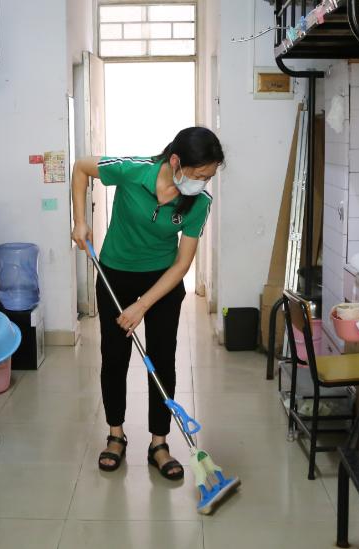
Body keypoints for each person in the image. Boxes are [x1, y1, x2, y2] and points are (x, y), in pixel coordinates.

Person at [70, 127, 223, 480]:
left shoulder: (199, 202)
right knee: (115, 355)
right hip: (116, 274)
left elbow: (183, 264)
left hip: (163, 280)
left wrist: (142, 306)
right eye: (199, 175)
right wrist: (80, 221)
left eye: (209, 177)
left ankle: (159, 442)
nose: (203, 183)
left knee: (162, 359)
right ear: (175, 162)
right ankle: (115, 435)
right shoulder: (133, 170)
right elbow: (80, 168)